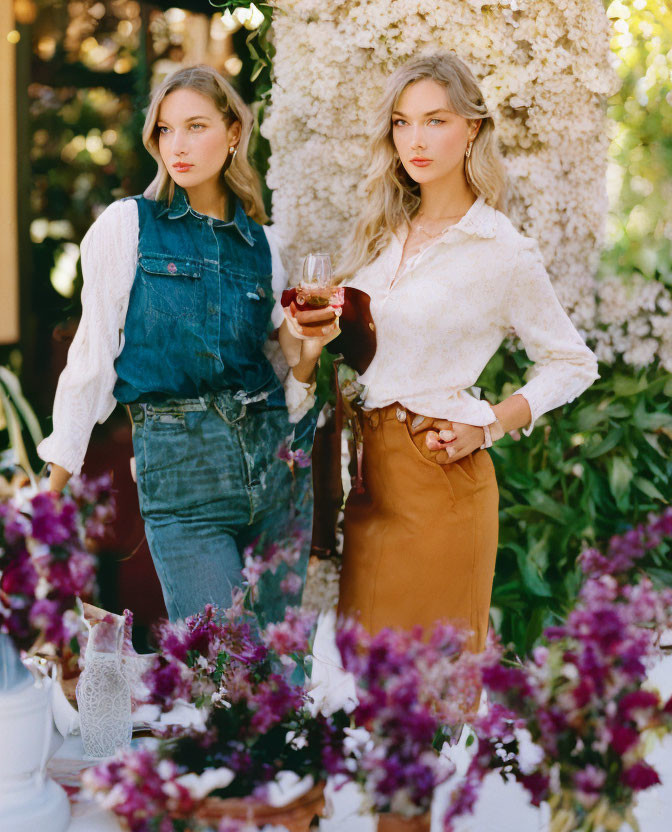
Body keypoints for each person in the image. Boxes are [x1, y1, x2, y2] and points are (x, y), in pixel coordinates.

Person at [285, 53, 599, 651]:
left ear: (473, 127)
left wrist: (489, 425)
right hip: (368, 484)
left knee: (428, 701)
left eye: (435, 120)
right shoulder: (383, 232)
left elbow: (573, 362)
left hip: (441, 479)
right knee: (366, 690)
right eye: (402, 123)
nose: (415, 140)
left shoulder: (501, 249)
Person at [38, 65, 334, 624]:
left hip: (274, 468)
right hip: (181, 466)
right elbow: (91, 362)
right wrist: (51, 493)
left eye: (195, 126)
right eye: (166, 131)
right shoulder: (128, 226)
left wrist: (311, 346)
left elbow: (288, 367)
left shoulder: (265, 245)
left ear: (233, 133)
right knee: (222, 674)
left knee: (283, 679)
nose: (178, 145)